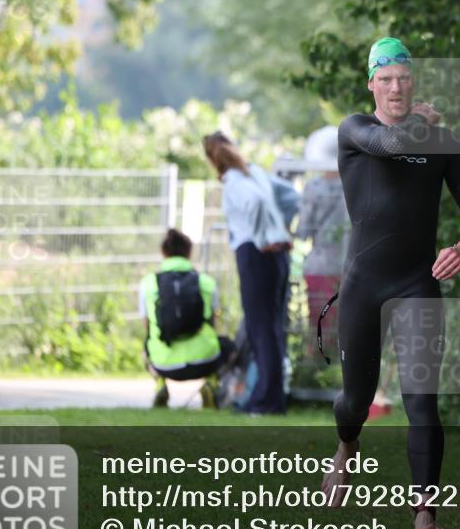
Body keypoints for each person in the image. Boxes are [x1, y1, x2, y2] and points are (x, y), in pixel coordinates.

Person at [319, 37, 460, 529]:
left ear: (413, 82)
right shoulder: (355, 130)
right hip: (365, 285)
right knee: (356, 399)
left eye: (404, 78)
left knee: (422, 402)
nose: (395, 86)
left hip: (417, 284)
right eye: (385, 78)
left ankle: (424, 516)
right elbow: (392, 146)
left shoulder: (445, 142)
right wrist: (420, 121)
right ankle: (346, 450)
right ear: (371, 83)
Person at [203, 131, 300, 415]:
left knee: (261, 329)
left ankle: (265, 402)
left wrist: (261, 238)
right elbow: (292, 197)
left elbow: (255, 204)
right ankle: (272, 398)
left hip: (256, 254)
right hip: (278, 253)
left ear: (212, 158)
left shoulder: (233, 181)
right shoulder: (255, 172)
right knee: (273, 328)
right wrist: (280, 229)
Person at [140, 228, 236, 409]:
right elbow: (214, 322)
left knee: (146, 344)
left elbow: (147, 325)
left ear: (163, 252)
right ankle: (212, 382)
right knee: (229, 347)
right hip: (205, 361)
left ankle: (160, 384)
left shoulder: (148, 283)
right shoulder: (206, 282)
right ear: (189, 252)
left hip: (163, 362)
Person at [295, 126, 349, 359]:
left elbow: (303, 231)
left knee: (318, 320)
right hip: (348, 263)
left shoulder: (314, 188)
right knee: (344, 322)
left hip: (320, 265)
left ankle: (315, 364)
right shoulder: (352, 184)